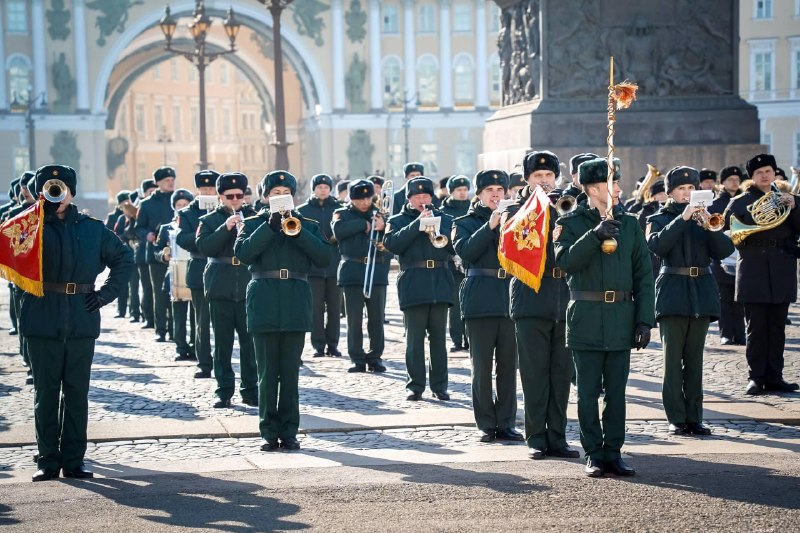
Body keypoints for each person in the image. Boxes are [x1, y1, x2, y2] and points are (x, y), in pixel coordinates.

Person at [23, 165, 133, 481]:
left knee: (76, 393)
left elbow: (124, 260)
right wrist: (33, 216)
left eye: (60, 187)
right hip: (42, 316)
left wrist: (104, 295)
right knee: (45, 393)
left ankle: (73, 460)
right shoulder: (28, 228)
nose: (55, 193)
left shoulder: (92, 228)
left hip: (81, 316)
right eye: (48, 187)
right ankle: (47, 460)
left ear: (71, 191)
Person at [554, 157, 655, 477]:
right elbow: (565, 263)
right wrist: (594, 235)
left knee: (616, 392)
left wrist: (644, 320)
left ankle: (614, 451)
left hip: (621, 316)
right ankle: (593, 453)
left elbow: (643, 274)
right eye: (613, 183)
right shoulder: (570, 222)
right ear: (594, 188)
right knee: (586, 392)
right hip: (585, 315)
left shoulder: (629, 223)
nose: (619, 188)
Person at [234, 170, 330, 452]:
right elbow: (244, 254)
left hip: (295, 300)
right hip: (263, 299)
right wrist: (270, 227)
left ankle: (289, 431)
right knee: (266, 372)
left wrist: (297, 231)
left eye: (285, 194)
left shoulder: (307, 224)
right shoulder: (252, 223)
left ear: (294, 196)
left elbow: (324, 257)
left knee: (290, 373)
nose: (280, 198)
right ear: (265, 198)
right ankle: (268, 431)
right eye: (274, 194)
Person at [646, 166, 734, 436]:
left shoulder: (706, 217)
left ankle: (695, 416)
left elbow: (724, 250)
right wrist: (682, 219)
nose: (687, 193)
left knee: (695, 360)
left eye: (691, 189)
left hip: (701, 291)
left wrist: (708, 225)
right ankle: (676, 416)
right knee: (673, 361)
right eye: (682, 189)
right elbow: (657, 246)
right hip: (673, 291)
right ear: (671, 192)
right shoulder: (659, 217)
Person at [507, 152, 578, 457]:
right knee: (534, 374)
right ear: (527, 179)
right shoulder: (515, 208)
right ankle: (536, 437)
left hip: (563, 296)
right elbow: (512, 241)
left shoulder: (568, 205)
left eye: (549, 176)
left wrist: (565, 212)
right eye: (538, 176)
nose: (545, 181)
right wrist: (538, 209)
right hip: (530, 297)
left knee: (561, 375)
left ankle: (558, 437)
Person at [453, 169, 519, 443]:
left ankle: (506, 422)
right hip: (479, 298)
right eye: (490, 190)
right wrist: (490, 225)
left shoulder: (517, 218)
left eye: (500, 190)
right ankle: (484, 422)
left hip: (509, 298)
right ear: (479, 194)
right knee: (481, 367)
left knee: (507, 367)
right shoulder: (464, 221)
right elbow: (465, 251)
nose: (495, 194)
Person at [725, 154, 800, 395]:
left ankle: (775, 376)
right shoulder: (740, 202)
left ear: (774, 172)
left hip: (781, 267)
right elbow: (727, 227)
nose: (764, 175)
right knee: (755, 327)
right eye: (759, 172)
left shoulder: (789, 199)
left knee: (777, 327)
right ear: (752, 177)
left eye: (768, 170)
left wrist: (795, 206)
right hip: (753, 267)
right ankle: (755, 377)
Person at [384, 176, 455, 401]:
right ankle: (414, 385)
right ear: (409, 198)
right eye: (417, 197)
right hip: (413, 282)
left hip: (440, 280)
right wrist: (417, 225)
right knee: (414, 340)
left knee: (438, 340)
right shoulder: (397, 220)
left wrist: (436, 224)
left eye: (426, 196)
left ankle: (440, 385)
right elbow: (392, 245)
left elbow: (454, 245)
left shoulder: (446, 218)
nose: (422, 200)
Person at [196, 173, 258, 408]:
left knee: (249, 343)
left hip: (247, 285)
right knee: (222, 344)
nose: (235, 200)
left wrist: (244, 229)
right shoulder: (210, 220)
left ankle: (250, 390)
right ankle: (223, 390)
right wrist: (226, 227)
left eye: (239, 196)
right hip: (219, 285)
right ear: (220, 197)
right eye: (229, 196)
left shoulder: (254, 217)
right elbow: (204, 247)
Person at [332, 179, 390, 373]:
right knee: (354, 319)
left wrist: (383, 227)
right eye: (361, 199)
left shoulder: (380, 214)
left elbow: (392, 241)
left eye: (368, 197)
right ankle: (356, 358)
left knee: (376, 319)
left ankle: (375, 357)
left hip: (377, 272)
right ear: (353, 199)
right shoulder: (342, 213)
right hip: (352, 272)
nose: (365, 202)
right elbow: (339, 231)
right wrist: (363, 225)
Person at [176, 169, 219, 379]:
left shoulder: (226, 210)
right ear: (198, 190)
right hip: (199, 267)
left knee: (224, 321)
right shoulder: (187, 213)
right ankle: (204, 362)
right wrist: (207, 237)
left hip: (223, 270)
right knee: (201, 321)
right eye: (204, 188)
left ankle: (222, 360)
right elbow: (182, 239)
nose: (209, 191)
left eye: (212, 188)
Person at [298, 174, 343, 357]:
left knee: (334, 309)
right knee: (315, 309)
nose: (323, 190)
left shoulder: (340, 209)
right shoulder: (303, 210)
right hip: (314, 268)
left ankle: (333, 344)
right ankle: (318, 345)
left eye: (326, 187)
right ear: (313, 189)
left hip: (334, 266)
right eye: (319, 187)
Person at [155, 189, 196, 361]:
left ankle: (196, 346)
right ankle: (181, 346)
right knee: (177, 314)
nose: (182, 207)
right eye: (179, 205)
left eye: (185, 205)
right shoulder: (166, 228)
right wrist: (163, 256)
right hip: (175, 275)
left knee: (196, 315)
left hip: (193, 273)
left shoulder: (197, 225)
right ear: (174, 207)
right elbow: (156, 250)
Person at [709, 165, 745, 345]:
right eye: (730, 179)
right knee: (724, 297)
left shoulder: (744, 201)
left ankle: (740, 333)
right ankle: (726, 333)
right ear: (722, 183)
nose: (735, 182)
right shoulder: (715, 204)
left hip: (741, 255)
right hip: (721, 257)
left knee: (740, 297)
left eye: (737, 179)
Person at [439, 175, 472, 352]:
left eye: (465, 190)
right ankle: (456, 339)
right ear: (451, 191)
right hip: (452, 264)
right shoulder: (444, 210)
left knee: (470, 302)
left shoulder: (472, 208)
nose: (462, 193)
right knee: (455, 304)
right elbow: (443, 235)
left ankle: (469, 337)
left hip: (471, 262)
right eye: (459, 190)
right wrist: (453, 255)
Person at [133, 175, 165, 332]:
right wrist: (147, 235)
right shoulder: (145, 204)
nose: (170, 183)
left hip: (174, 253)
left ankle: (171, 327)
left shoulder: (176, 200)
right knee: (153, 290)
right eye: (166, 180)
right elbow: (138, 228)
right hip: (152, 253)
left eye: (172, 179)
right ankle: (154, 322)